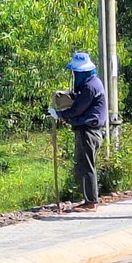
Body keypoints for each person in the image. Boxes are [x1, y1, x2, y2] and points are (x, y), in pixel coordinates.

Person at [48, 52, 107, 212]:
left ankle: (91, 202)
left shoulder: (90, 86)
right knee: (82, 165)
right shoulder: (91, 83)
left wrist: (59, 115)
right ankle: (89, 199)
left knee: (87, 166)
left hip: (89, 130)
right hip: (87, 130)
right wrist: (67, 95)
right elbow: (78, 97)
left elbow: (77, 109)